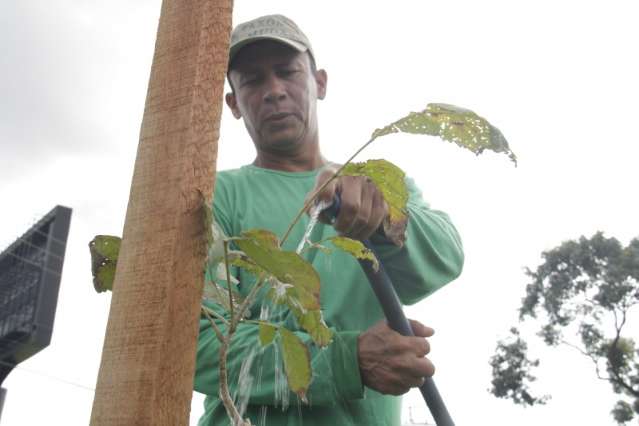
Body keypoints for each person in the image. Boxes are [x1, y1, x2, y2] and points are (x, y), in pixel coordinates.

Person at [194, 14, 464, 426]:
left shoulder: (376, 183)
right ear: (233, 103)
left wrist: (382, 218)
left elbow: (445, 259)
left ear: (319, 82)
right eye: (251, 80)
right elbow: (197, 344)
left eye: (287, 72)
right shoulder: (216, 197)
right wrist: (344, 360)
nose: (274, 92)